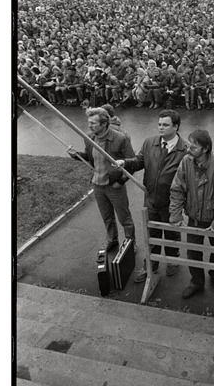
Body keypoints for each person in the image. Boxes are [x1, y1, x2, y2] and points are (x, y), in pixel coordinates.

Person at [116, 110, 187, 281]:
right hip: (151, 199)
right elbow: (139, 161)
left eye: (165, 125)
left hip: (172, 203)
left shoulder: (185, 150)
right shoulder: (149, 143)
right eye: (159, 124)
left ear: (176, 127)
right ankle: (151, 265)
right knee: (152, 234)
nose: (160, 128)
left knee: (171, 234)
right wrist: (125, 162)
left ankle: (171, 260)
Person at [169, 129, 214, 299]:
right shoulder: (186, 161)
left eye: (193, 146)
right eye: (189, 145)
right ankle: (196, 281)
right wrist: (175, 216)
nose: (189, 148)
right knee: (192, 251)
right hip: (194, 218)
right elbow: (177, 189)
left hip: (213, 218)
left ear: (205, 148)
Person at [67, 107, 136, 251]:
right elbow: (89, 158)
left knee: (125, 218)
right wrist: (76, 155)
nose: (89, 125)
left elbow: (131, 163)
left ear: (104, 124)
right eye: (89, 122)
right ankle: (112, 240)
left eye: (93, 123)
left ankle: (131, 243)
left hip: (114, 185)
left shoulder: (120, 139)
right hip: (98, 185)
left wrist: (120, 182)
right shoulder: (89, 138)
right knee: (107, 217)